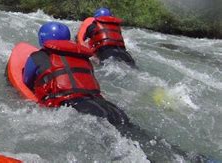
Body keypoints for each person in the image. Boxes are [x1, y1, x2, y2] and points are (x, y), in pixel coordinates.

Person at [23, 22, 206, 162]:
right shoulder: (83, 58)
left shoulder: (37, 57)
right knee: (138, 135)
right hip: (105, 105)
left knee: (118, 145)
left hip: (77, 107)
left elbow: (25, 82)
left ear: (43, 38)